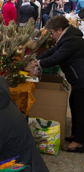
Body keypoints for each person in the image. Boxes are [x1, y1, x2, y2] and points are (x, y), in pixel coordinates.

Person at [30, 16, 84, 153]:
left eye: (53, 33)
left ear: (60, 30)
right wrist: (36, 58)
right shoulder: (67, 37)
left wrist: (38, 64)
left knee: (80, 108)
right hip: (77, 80)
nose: (52, 36)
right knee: (74, 104)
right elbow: (53, 51)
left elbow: (57, 57)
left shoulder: (71, 40)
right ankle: (75, 134)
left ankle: (80, 142)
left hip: (81, 79)